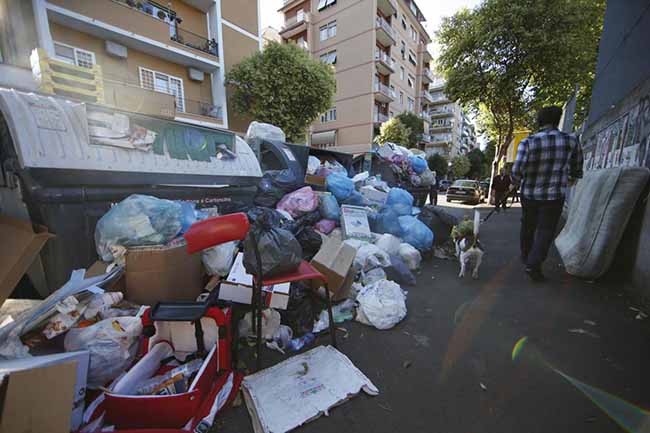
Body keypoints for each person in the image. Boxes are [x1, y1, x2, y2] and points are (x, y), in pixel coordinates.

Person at [511, 106, 583, 282]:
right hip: (554, 195)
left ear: (539, 121)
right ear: (558, 120)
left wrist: (516, 181)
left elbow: (517, 169)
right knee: (546, 230)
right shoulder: (571, 140)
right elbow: (577, 167)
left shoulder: (528, 142)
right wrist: (572, 177)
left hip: (529, 194)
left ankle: (526, 255)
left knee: (528, 225)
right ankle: (534, 263)